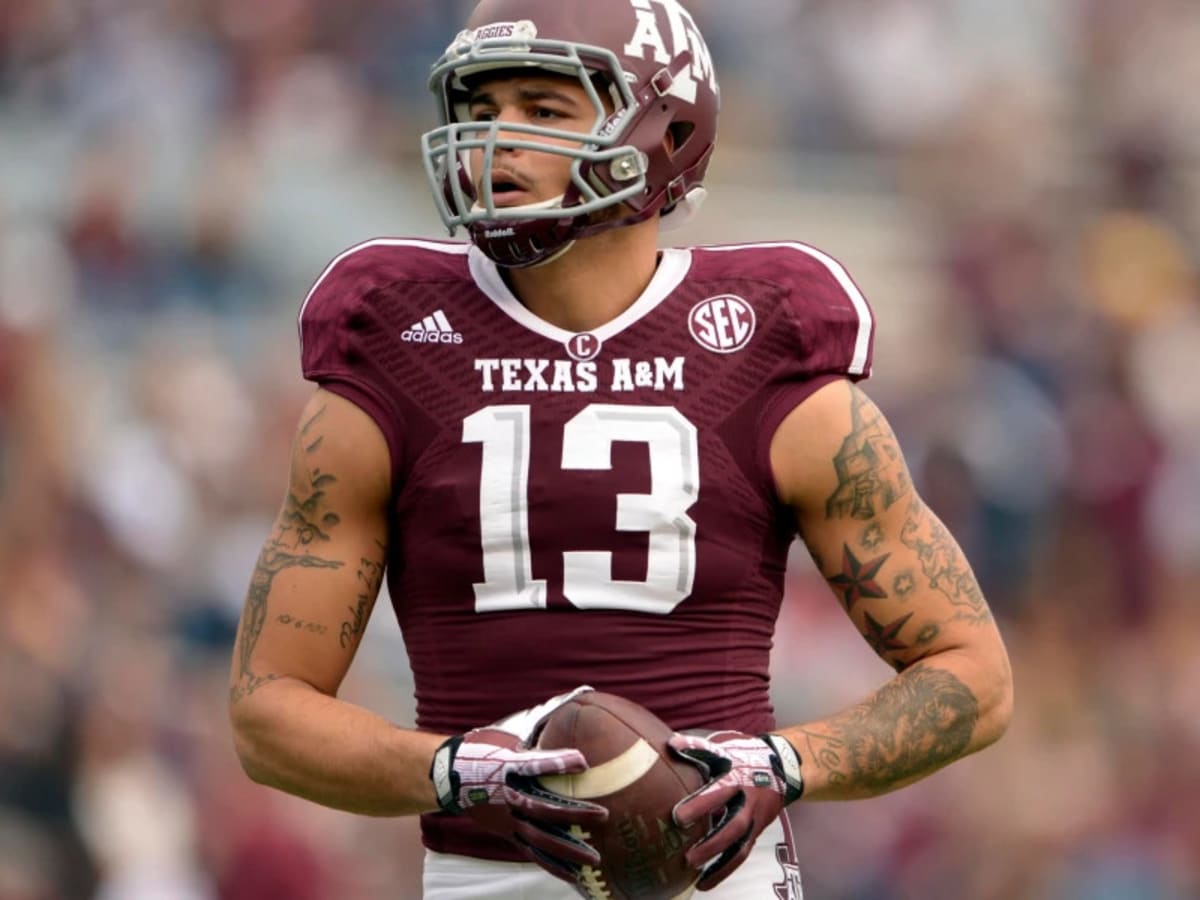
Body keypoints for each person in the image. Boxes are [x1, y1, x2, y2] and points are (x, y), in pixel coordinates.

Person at [227, 0, 1014, 896]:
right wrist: (455, 769)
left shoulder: (766, 350)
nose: (495, 140)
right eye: (479, 111)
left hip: (723, 878)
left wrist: (784, 762)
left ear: (664, 129)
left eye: (543, 108)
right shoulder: (397, 345)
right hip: (479, 878)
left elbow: (972, 677)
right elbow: (267, 715)